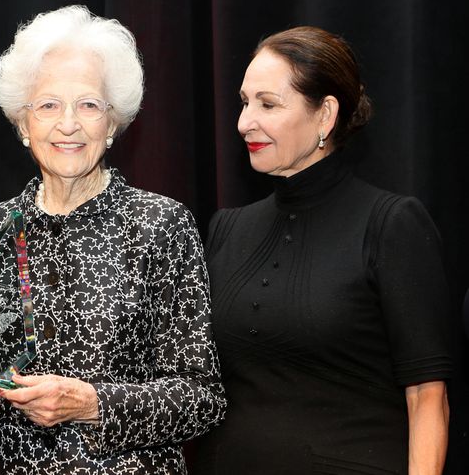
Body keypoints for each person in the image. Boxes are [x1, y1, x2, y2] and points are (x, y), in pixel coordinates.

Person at [0, 5, 226, 473]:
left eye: (89, 105)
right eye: (48, 105)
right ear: (22, 123)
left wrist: (90, 402)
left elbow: (202, 398)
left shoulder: (160, 225)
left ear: (112, 124)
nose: (68, 124)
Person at [194, 26, 453, 474]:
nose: (244, 122)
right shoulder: (226, 228)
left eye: (268, 104)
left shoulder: (391, 224)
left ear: (325, 115)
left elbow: (427, 397)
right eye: (244, 101)